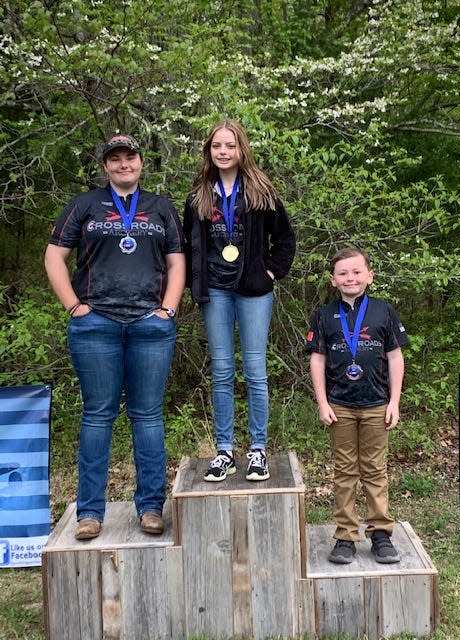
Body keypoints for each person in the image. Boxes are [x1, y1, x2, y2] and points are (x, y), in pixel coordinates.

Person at [44, 133, 185, 540]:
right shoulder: (83, 205)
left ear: (141, 162)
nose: (124, 164)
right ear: (106, 165)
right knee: (98, 415)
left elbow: (177, 263)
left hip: (150, 325)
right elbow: (55, 255)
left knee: (147, 416)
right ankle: (89, 512)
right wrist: (74, 305)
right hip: (95, 325)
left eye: (131, 157)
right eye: (116, 159)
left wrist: (168, 310)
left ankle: (151, 508)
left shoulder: (161, 208)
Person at [183, 119, 295, 482]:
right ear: (208, 150)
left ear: (241, 148)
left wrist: (271, 272)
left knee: (256, 371)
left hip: (253, 291)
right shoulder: (199, 194)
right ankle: (225, 451)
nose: (223, 152)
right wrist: (193, 281)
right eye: (217, 146)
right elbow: (186, 247)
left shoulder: (262, 192)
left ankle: (258, 450)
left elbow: (286, 240)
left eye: (230, 145)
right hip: (215, 290)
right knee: (221, 371)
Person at [306, 247, 408, 564]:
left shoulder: (383, 311)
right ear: (333, 280)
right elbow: (317, 360)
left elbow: (395, 357)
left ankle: (380, 534)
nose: (350, 278)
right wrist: (322, 402)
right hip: (340, 406)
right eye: (343, 273)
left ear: (369, 276)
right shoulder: (324, 316)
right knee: (345, 472)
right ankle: (346, 537)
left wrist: (394, 401)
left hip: (377, 403)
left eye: (356, 272)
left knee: (376, 469)